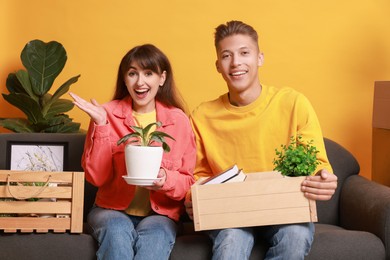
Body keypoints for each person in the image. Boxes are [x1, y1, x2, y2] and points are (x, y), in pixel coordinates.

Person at [185, 20, 338, 260]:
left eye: (244, 53)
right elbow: (195, 175)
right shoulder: (201, 117)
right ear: (218, 65)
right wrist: (191, 198)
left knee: (296, 236)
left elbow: (317, 163)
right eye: (227, 56)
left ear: (259, 58)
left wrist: (323, 180)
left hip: (284, 209)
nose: (236, 63)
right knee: (232, 240)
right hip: (228, 212)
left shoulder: (293, 103)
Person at [70, 44, 196, 260]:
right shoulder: (105, 114)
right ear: (125, 79)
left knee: (156, 238)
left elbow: (188, 181)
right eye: (132, 73)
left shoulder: (178, 121)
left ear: (162, 78)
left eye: (148, 73)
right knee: (117, 231)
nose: (140, 82)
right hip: (111, 210)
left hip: (160, 214)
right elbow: (96, 177)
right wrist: (101, 125)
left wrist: (166, 179)